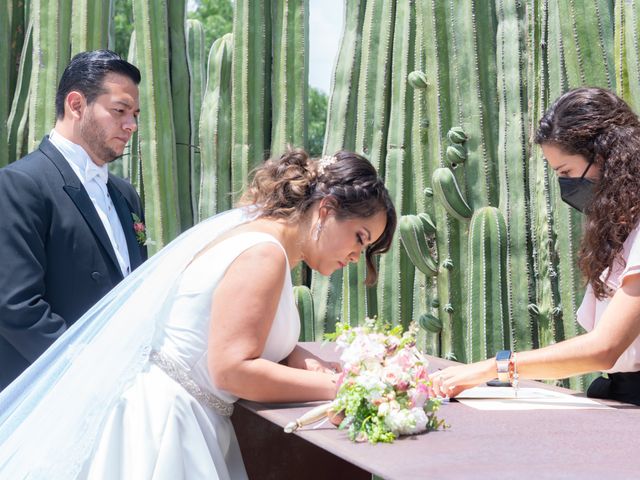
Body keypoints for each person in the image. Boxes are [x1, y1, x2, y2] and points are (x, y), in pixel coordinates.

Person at [0, 149, 397, 479]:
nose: (355, 257)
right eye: (359, 238)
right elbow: (233, 369)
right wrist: (345, 389)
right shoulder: (264, 254)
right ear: (326, 210)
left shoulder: (256, 234)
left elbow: (243, 339)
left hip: (183, 418)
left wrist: (305, 360)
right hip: (166, 430)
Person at [430, 87, 640, 406]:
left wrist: (496, 367)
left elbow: (605, 348)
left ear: (604, 157)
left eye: (567, 173)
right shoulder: (623, 229)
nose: (566, 186)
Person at [0, 50, 148, 390]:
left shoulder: (126, 195)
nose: (131, 125)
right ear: (76, 104)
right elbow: (16, 306)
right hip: (48, 392)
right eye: (120, 111)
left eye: (135, 114)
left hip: (121, 386)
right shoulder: (21, 184)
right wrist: (89, 371)